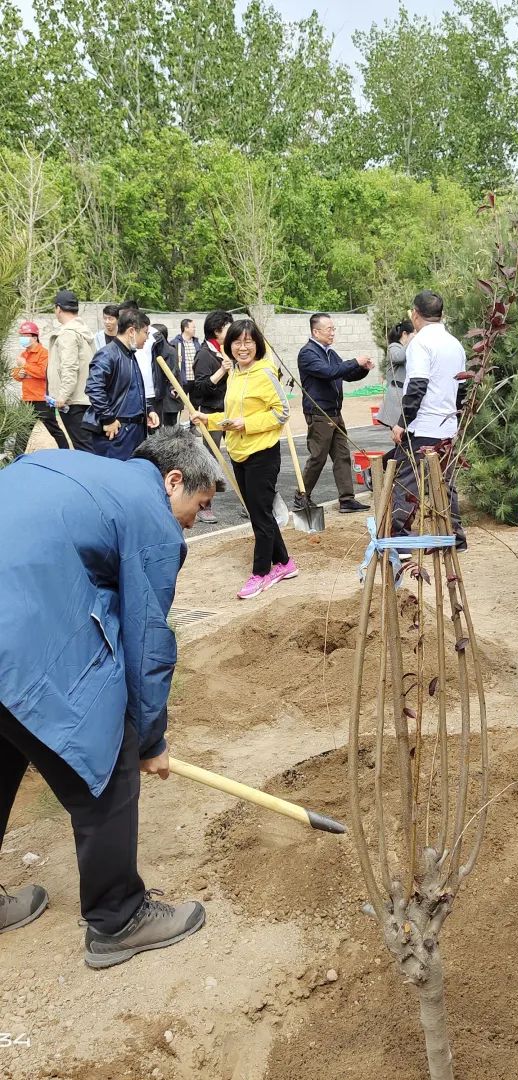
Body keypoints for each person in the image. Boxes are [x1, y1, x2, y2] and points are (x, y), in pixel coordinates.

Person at [0, 427, 218, 966]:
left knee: (4, 751)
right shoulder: (150, 516)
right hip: (18, 632)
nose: (197, 519)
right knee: (102, 753)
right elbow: (146, 640)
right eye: (201, 502)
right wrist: (147, 740)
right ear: (173, 481)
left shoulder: (75, 467)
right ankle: (118, 919)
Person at [192, 319, 296, 600]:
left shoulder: (266, 373)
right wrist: (209, 420)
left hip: (262, 452)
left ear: (257, 344)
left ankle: (260, 573)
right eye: (237, 342)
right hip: (238, 452)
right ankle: (285, 563)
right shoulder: (235, 375)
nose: (242, 347)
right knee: (258, 513)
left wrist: (248, 423)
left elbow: (282, 412)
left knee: (260, 515)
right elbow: (231, 417)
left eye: (248, 342)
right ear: (229, 346)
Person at [390, 291, 469, 547]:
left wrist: (402, 421)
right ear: (441, 314)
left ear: (415, 314)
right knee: (445, 483)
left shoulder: (420, 343)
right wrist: (453, 415)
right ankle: (455, 536)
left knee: (405, 480)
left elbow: (417, 386)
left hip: (423, 425)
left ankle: (399, 536)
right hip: (447, 425)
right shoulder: (454, 343)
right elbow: (462, 387)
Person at [295, 312, 374, 514]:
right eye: (329, 329)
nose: (332, 333)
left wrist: (362, 368)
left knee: (342, 455)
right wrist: (355, 360)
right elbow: (329, 372)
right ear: (316, 331)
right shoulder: (308, 353)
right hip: (320, 412)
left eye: (333, 329)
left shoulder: (329, 352)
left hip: (335, 412)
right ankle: (301, 496)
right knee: (318, 457)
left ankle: (347, 499)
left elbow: (345, 374)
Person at [84, 309, 159, 459]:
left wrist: (147, 409)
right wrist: (109, 419)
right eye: (145, 332)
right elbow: (94, 388)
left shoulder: (129, 355)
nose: (147, 337)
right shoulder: (108, 354)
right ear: (132, 331)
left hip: (134, 430)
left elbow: (132, 389)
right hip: (117, 433)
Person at [187, 310, 233, 523]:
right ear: (217, 330)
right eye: (227, 327)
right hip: (211, 413)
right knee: (210, 459)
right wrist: (222, 372)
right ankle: (204, 506)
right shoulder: (205, 354)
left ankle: (248, 502)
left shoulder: (227, 351)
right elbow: (200, 388)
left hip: (230, 412)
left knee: (238, 455)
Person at [45, 289, 95, 451]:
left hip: (72, 402)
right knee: (87, 444)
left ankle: (90, 476)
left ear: (58, 308)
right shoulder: (84, 332)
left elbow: (69, 367)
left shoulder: (68, 334)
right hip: (84, 398)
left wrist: (62, 396)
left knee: (83, 447)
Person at [10, 320, 67, 453]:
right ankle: (16, 458)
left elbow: (43, 373)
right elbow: (16, 375)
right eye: (21, 336)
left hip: (42, 400)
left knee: (54, 429)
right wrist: (21, 372)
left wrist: (25, 366)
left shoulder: (44, 353)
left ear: (34, 337)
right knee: (22, 432)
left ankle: (66, 453)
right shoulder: (23, 354)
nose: (22, 339)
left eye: (25, 336)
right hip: (26, 400)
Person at [377, 319, 413, 431]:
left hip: (404, 394)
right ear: (404, 334)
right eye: (414, 333)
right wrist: (411, 342)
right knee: (400, 435)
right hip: (396, 395)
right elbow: (399, 357)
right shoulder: (394, 347)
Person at [150, 323, 183, 427]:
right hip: (160, 398)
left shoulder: (170, 351)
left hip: (169, 397)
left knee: (169, 428)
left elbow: (174, 373)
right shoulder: (152, 351)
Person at [172, 318, 200, 384]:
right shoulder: (175, 343)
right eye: (193, 327)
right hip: (182, 380)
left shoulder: (196, 343)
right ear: (186, 328)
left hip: (196, 379)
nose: (194, 329)